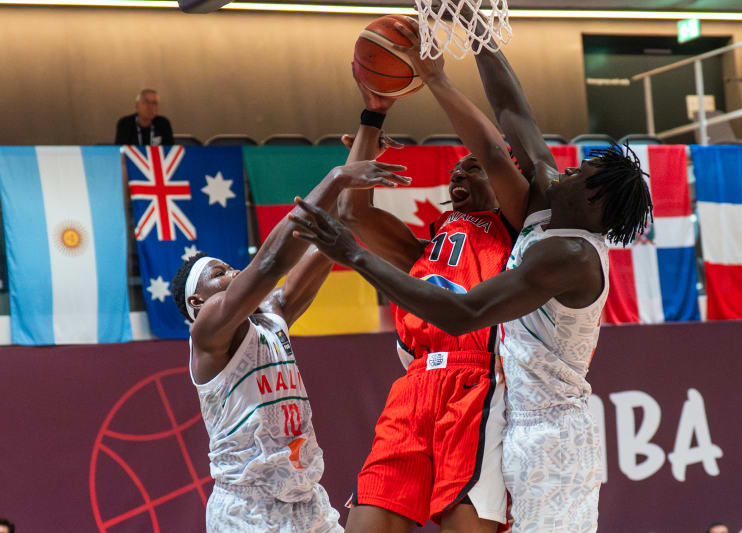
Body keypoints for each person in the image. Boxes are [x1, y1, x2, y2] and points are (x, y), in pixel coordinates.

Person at [290, 21, 653, 533]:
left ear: (592, 201)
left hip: (518, 412)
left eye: (578, 174)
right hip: (425, 385)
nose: (561, 170)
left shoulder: (562, 249)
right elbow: (511, 114)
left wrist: (355, 256)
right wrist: (477, 33)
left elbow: (465, 311)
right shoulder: (530, 216)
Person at [333, 42, 533, 532]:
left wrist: (438, 79)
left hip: (477, 382)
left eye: (471, 169)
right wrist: (373, 116)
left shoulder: (516, 225)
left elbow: (490, 149)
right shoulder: (426, 249)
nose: (457, 172)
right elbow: (351, 211)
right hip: (415, 385)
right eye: (454, 170)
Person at [170, 156, 409, 532]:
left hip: (308, 501)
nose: (232, 272)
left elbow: (334, 233)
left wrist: (370, 122)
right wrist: (336, 177)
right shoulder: (208, 332)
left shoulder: (272, 313)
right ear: (197, 304)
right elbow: (270, 263)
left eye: (229, 267)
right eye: (218, 274)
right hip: (248, 510)